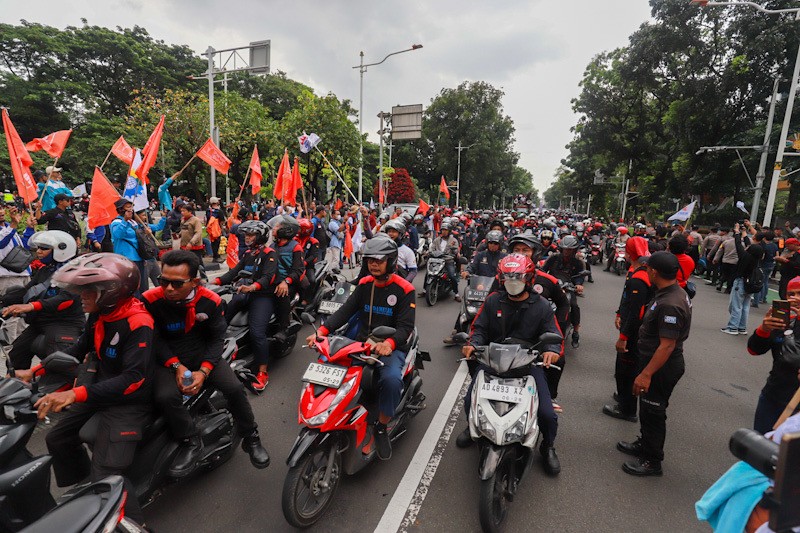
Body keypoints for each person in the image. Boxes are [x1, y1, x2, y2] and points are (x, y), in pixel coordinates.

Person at [33, 253, 154, 524]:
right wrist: (34, 371)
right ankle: (88, 490)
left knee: (108, 475)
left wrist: (74, 393)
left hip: (128, 401)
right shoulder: (100, 315)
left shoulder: (138, 322)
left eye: (88, 290)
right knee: (57, 439)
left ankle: (136, 525)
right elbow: (80, 348)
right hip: (100, 390)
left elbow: (132, 380)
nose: (81, 296)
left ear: (111, 292)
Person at [143, 250, 269, 477]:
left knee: (234, 389)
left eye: (176, 283)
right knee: (165, 397)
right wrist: (176, 366)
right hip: (167, 357)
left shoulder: (211, 301)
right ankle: (190, 440)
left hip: (202, 354)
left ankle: (251, 437)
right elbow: (155, 339)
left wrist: (203, 371)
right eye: (164, 281)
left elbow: (216, 339)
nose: (168, 288)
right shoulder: (150, 300)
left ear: (194, 282)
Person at [305, 237, 415, 461]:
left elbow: (405, 328)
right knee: (328, 364)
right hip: (361, 343)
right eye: (370, 260)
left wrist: (389, 344)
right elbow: (345, 311)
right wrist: (322, 332)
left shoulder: (405, 289)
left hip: (390, 347)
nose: (374, 264)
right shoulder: (365, 284)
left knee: (391, 380)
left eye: (379, 260)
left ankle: (382, 426)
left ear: (391, 261)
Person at [456, 253, 564, 475]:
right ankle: (473, 426)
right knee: (470, 400)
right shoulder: (494, 300)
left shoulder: (542, 306)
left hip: (528, 364)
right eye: (508, 278)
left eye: (518, 278)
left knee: (546, 413)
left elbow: (554, 333)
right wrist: (472, 345)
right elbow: (479, 329)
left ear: (529, 279)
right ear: (501, 279)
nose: (513, 283)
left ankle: (548, 446)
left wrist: (551, 351)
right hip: (494, 360)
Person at [618, 251, 692, 477]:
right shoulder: (668, 292)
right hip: (654, 361)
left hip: (661, 366)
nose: (646, 270)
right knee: (648, 410)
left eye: (648, 267)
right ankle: (645, 444)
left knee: (654, 410)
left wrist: (646, 374)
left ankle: (652, 460)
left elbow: (667, 345)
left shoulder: (671, 302)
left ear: (654, 271)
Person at [2, 230, 84, 370]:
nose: (38, 251)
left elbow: (65, 299)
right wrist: (3, 302)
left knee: (58, 365)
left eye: (44, 248)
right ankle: (20, 388)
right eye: (38, 247)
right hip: (41, 322)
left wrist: (31, 306)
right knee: (15, 356)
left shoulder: (73, 272)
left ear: (62, 250)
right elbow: (26, 291)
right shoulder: (45, 271)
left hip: (63, 323)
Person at [212, 220, 277, 390]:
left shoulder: (270, 254)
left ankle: (262, 372)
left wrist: (252, 287)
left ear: (260, 236)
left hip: (262, 296)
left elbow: (268, 277)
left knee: (257, 332)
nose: (247, 238)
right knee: (220, 321)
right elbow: (234, 272)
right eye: (246, 235)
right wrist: (214, 282)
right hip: (244, 293)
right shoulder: (249, 253)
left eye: (251, 235)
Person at [604, 237, 653, 423]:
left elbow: (636, 312)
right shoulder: (636, 271)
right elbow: (627, 300)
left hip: (633, 332)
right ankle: (624, 398)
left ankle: (627, 409)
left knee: (626, 369)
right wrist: (619, 312)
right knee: (624, 368)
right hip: (631, 327)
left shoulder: (639, 278)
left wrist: (624, 336)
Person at [746, 276, 800, 433]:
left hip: (797, 405)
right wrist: (764, 329)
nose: (795, 298)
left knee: (789, 455)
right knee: (762, 449)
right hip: (772, 396)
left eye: (799, 293)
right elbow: (754, 350)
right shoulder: (783, 320)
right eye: (791, 294)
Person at [542, 235, 585, 348]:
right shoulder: (554, 258)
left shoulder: (578, 262)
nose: (567, 251)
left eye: (570, 249)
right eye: (565, 249)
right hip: (552, 286)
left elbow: (580, 277)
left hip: (568, 288)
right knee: (539, 301)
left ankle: (576, 331)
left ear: (574, 250)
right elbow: (543, 270)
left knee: (574, 305)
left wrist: (579, 285)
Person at [267, 215, 303, 344]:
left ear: (286, 230)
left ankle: (284, 328)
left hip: (289, 282)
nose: (273, 229)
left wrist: (286, 281)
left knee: (281, 294)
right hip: (273, 281)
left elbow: (298, 270)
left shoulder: (295, 247)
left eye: (277, 227)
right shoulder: (272, 245)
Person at [721, 224, 763, 335]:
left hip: (740, 282)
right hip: (750, 284)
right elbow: (747, 244)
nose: (748, 246)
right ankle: (742, 327)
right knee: (745, 306)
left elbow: (738, 243)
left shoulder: (744, 256)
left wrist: (737, 232)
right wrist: (742, 232)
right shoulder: (756, 258)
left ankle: (732, 327)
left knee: (735, 306)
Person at [0, 203, 33, 339]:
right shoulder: (9, 228)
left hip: (23, 274)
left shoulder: (8, 226)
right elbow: (1, 242)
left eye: (1, 208)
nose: (1, 211)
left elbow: (24, 246)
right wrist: (14, 225)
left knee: (24, 312)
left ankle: (21, 344)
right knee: (11, 313)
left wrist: (29, 228)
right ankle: (10, 345)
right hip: (8, 277)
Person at [110, 198, 154, 293]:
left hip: (139, 257)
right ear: (121, 209)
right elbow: (118, 235)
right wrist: (125, 221)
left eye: (131, 207)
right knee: (132, 286)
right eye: (128, 207)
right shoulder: (116, 223)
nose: (131, 209)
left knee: (142, 285)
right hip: (127, 258)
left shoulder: (133, 222)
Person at [429, 222, 461, 302]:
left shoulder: (453, 240)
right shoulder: (436, 240)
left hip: (448, 260)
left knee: (452, 276)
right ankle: (424, 290)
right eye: (443, 230)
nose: (444, 232)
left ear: (449, 231)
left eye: (446, 230)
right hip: (437, 260)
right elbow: (432, 248)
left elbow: (456, 249)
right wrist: (430, 252)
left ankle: (456, 294)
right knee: (428, 273)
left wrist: (455, 251)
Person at [296, 218, 320, 305]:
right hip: (295, 265)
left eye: (299, 228)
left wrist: (305, 262)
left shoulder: (313, 242)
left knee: (312, 280)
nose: (297, 230)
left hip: (308, 266)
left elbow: (313, 256)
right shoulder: (294, 240)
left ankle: (308, 299)